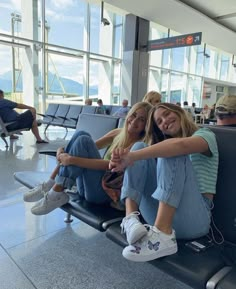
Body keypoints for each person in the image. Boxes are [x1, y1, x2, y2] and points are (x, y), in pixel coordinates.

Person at [110, 103, 218, 262]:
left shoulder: (205, 134)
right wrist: (125, 159)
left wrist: (131, 157)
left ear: (179, 112)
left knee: (173, 150)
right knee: (139, 146)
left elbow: (181, 145)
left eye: (167, 114)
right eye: (159, 122)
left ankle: (163, 235)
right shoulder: (168, 143)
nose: (164, 122)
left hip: (195, 220)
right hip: (160, 215)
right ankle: (131, 220)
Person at [23, 102, 153, 215]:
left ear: (146, 125)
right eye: (134, 115)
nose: (135, 121)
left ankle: (56, 191)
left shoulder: (140, 145)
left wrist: (71, 160)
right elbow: (83, 147)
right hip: (87, 187)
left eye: (141, 120)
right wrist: (62, 151)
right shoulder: (118, 133)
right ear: (129, 114)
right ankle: (51, 184)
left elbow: (110, 165)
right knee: (81, 135)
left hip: (105, 193)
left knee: (83, 138)